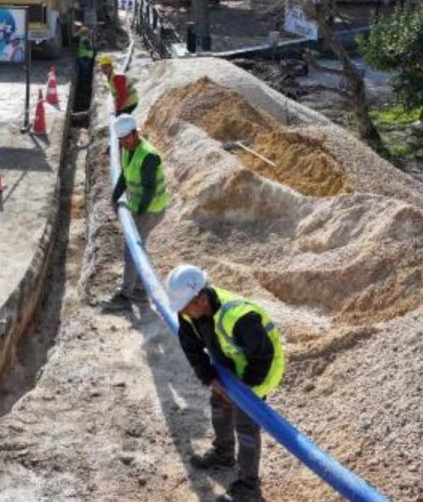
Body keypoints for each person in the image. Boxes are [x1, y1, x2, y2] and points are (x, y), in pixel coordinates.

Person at [164, 264, 287, 502]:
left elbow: (262, 358)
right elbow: (192, 349)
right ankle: (224, 454)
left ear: (199, 299)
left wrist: (242, 393)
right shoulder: (189, 313)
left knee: (245, 423)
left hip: (259, 369)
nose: (183, 313)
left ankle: (249, 487)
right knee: (219, 405)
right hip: (230, 364)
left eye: (185, 308)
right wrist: (211, 379)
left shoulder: (241, 317)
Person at [104, 114, 168, 311]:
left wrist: (137, 212)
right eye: (121, 140)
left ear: (135, 133)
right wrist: (115, 197)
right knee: (138, 247)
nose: (124, 143)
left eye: (127, 138)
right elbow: (124, 174)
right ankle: (140, 290)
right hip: (140, 206)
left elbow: (148, 189)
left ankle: (126, 294)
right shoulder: (127, 150)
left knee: (131, 249)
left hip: (151, 208)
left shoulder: (148, 156)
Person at [76, 25, 95, 94]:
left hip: (82, 58)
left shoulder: (82, 39)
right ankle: (85, 87)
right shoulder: (86, 40)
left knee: (84, 72)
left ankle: (84, 85)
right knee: (85, 72)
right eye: (88, 33)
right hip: (85, 58)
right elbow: (89, 48)